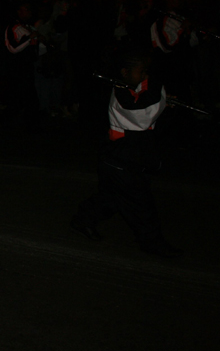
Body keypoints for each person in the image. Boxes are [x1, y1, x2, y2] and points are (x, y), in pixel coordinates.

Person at [70, 49, 182, 258]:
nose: (145, 77)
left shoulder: (130, 88)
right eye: (141, 72)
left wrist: (165, 104)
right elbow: (141, 117)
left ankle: (82, 221)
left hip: (119, 160)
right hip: (120, 160)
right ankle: (153, 244)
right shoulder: (121, 93)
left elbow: (147, 104)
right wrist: (160, 98)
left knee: (111, 199)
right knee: (142, 206)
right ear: (125, 72)